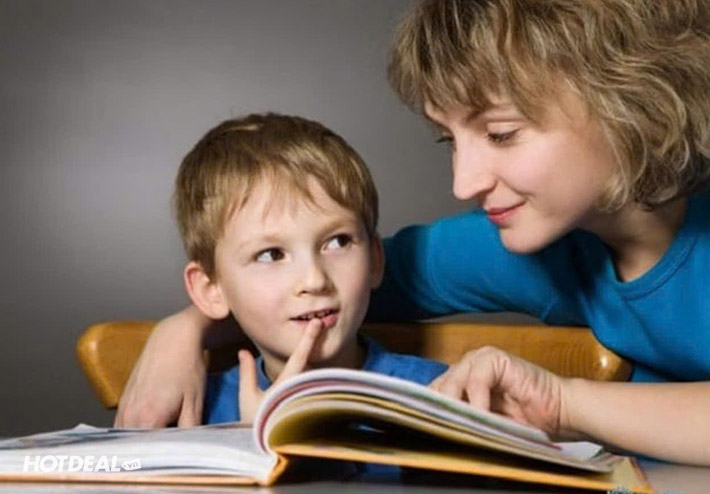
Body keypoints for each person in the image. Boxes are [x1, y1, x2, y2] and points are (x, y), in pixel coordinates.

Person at [116, 0, 710, 465]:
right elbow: (323, 286)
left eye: (501, 134)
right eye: (450, 140)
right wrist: (186, 329)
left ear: (631, 101)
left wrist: (564, 403)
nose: (463, 182)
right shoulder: (514, 245)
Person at [161, 112, 447, 424]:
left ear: (376, 259)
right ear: (211, 290)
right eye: (271, 255)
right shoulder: (191, 413)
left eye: (338, 242)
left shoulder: (443, 398)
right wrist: (249, 440)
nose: (314, 280)